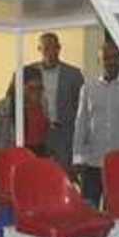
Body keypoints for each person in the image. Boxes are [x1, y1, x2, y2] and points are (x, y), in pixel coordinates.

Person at [72, 40, 119, 206]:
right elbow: (81, 123)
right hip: (93, 162)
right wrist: (78, 158)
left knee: (117, 209)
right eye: (106, 58)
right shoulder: (88, 88)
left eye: (115, 57)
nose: (111, 61)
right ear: (100, 61)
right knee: (90, 209)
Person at [32, 32, 85, 173]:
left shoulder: (74, 75)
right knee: (39, 174)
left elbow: (82, 109)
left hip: (65, 133)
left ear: (59, 48)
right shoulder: (28, 72)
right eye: (45, 47)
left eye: (53, 47)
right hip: (37, 134)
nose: (49, 51)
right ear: (39, 49)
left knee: (63, 175)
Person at [0, 67, 49, 155]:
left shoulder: (43, 104)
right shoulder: (5, 106)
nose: (37, 92)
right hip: (15, 154)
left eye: (40, 88)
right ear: (19, 88)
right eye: (31, 88)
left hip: (40, 153)